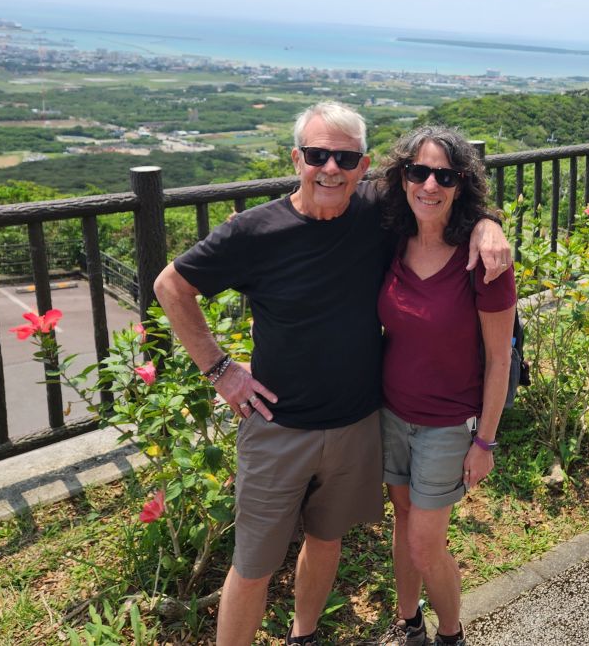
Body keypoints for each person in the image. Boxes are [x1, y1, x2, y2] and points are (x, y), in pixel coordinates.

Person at [152, 103, 511, 646]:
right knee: (253, 564)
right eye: (317, 155)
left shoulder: (376, 211)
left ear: (364, 165)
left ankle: (305, 635)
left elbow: (445, 199)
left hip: (357, 423)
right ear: (296, 158)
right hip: (277, 425)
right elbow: (170, 286)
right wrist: (220, 369)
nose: (330, 169)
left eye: (344, 158)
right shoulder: (255, 230)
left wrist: (488, 225)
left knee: (326, 539)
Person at [375, 127, 517, 646]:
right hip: (392, 413)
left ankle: (451, 635)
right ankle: (409, 621)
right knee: (403, 521)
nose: (429, 185)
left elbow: (499, 359)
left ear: (462, 185)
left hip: (448, 424)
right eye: (418, 171)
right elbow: (331, 187)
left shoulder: (483, 261)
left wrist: (485, 442)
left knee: (424, 544)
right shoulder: (393, 239)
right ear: (402, 177)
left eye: (445, 176)